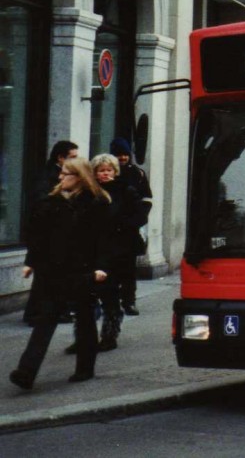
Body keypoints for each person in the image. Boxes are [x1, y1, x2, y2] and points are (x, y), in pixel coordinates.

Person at [10, 157, 111, 390]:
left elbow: (104, 240)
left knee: (85, 319)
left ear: (79, 177)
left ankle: (85, 368)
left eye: (66, 173)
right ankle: (26, 372)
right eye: (62, 173)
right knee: (46, 320)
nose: (60, 177)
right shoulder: (51, 202)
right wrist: (31, 261)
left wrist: (101, 267)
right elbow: (38, 236)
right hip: (54, 272)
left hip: (82, 271)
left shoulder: (96, 203)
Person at [24, 140, 79, 326]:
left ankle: (57, 311)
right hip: (46, 231)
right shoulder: (48, 176)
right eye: (72, 157)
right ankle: (34, 314)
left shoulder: (59, 174)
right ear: (60, 158)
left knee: (56, 275)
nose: (75, 161)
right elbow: (41, 203)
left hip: (57, 232)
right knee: (44, 276)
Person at [91, 153, 141, 350]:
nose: (105, 174)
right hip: (95, 249)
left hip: (119, 250)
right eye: (101, 170)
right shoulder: (91, 191)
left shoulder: (125, 190)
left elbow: (139, 216)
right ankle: (83, 338)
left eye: (108, 170)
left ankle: (109, 336)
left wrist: (121, 227)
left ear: (115, 171)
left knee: (110, 293)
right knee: (88, 295)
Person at [108, 138, 152, 316]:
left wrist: (137, 220)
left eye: (125, 154)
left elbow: (147, 200)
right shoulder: (107, 172)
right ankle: (111, 302)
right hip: (110, 232)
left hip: (129, 231)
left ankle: (128, 301)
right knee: (110, 269)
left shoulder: (137, 174)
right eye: (119, 154)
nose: (123, 157)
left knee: (128, 270)